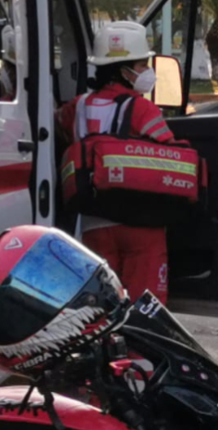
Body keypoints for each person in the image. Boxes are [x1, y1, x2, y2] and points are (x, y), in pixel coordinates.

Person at [56, 21, 175, 305]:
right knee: (144, 308)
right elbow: (169, 152)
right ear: (125, 71)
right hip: (140, 223)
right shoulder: (143, 109)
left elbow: (59, 126)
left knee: (100, 306)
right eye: (142, 64)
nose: (147, 71)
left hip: (94, 222)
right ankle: (135, 351)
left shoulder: (78, 107)